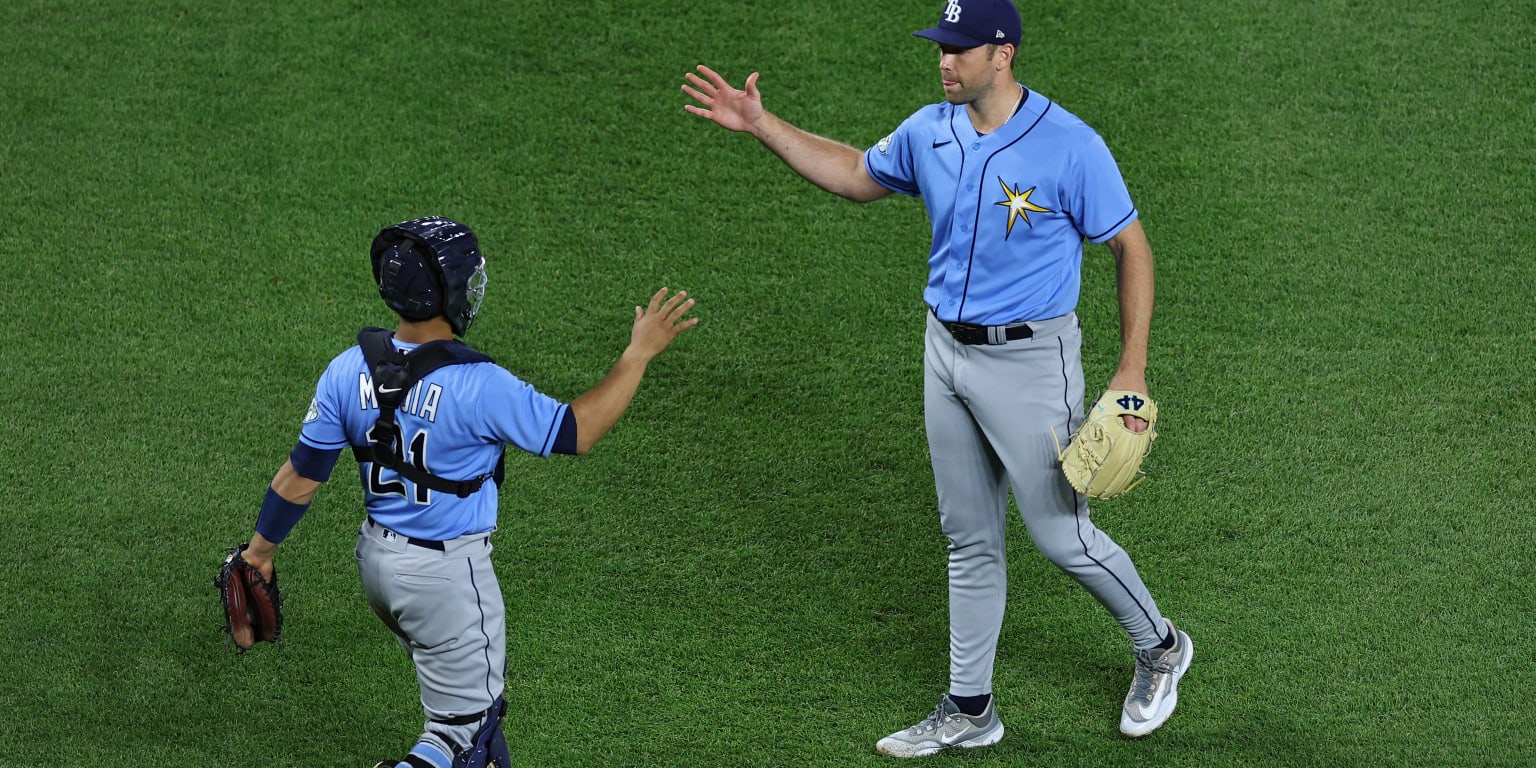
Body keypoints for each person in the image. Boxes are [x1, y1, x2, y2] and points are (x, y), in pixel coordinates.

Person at [682, 0, 1190, 756]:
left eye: (959, 49)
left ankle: (1161, 646)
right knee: (969, 537)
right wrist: (762, 123)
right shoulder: (930, 130)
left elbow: (1132, 247)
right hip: (945, 356)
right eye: (940, 48)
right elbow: (857, 174)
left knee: (1059, 534)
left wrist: (1131, 370)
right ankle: (971, 709)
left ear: (1003, 52)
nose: (944, 62)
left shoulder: (1069, 145)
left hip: (1030, 361)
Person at [233, 216, 697, 768]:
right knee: (461, 738)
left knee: (478, 716)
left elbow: (301, 474)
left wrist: (258, 554)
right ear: (450, 292)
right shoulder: (480, 384)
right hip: (444, 581)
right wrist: (639, 352)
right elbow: (578, 431)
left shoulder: (345, 369)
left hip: (376, 564)